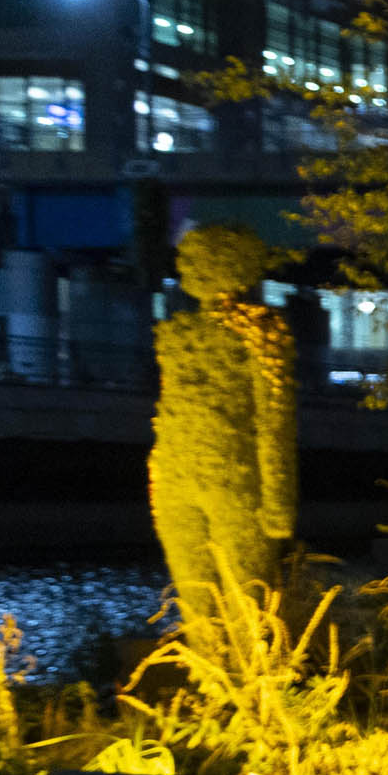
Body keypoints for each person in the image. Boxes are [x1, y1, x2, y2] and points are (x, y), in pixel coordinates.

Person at [149, 223, 299, 649]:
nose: (187, 268)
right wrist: (159, 475)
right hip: (177, 481)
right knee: (196, 602)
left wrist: (278, 503)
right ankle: (214, 692)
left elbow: (275, 417)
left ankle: (253, 697)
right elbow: (167, 409)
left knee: (247, 602)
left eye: (198, 259)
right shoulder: (176, 335)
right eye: (187, 260)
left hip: (236, 484)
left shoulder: (262, 332)